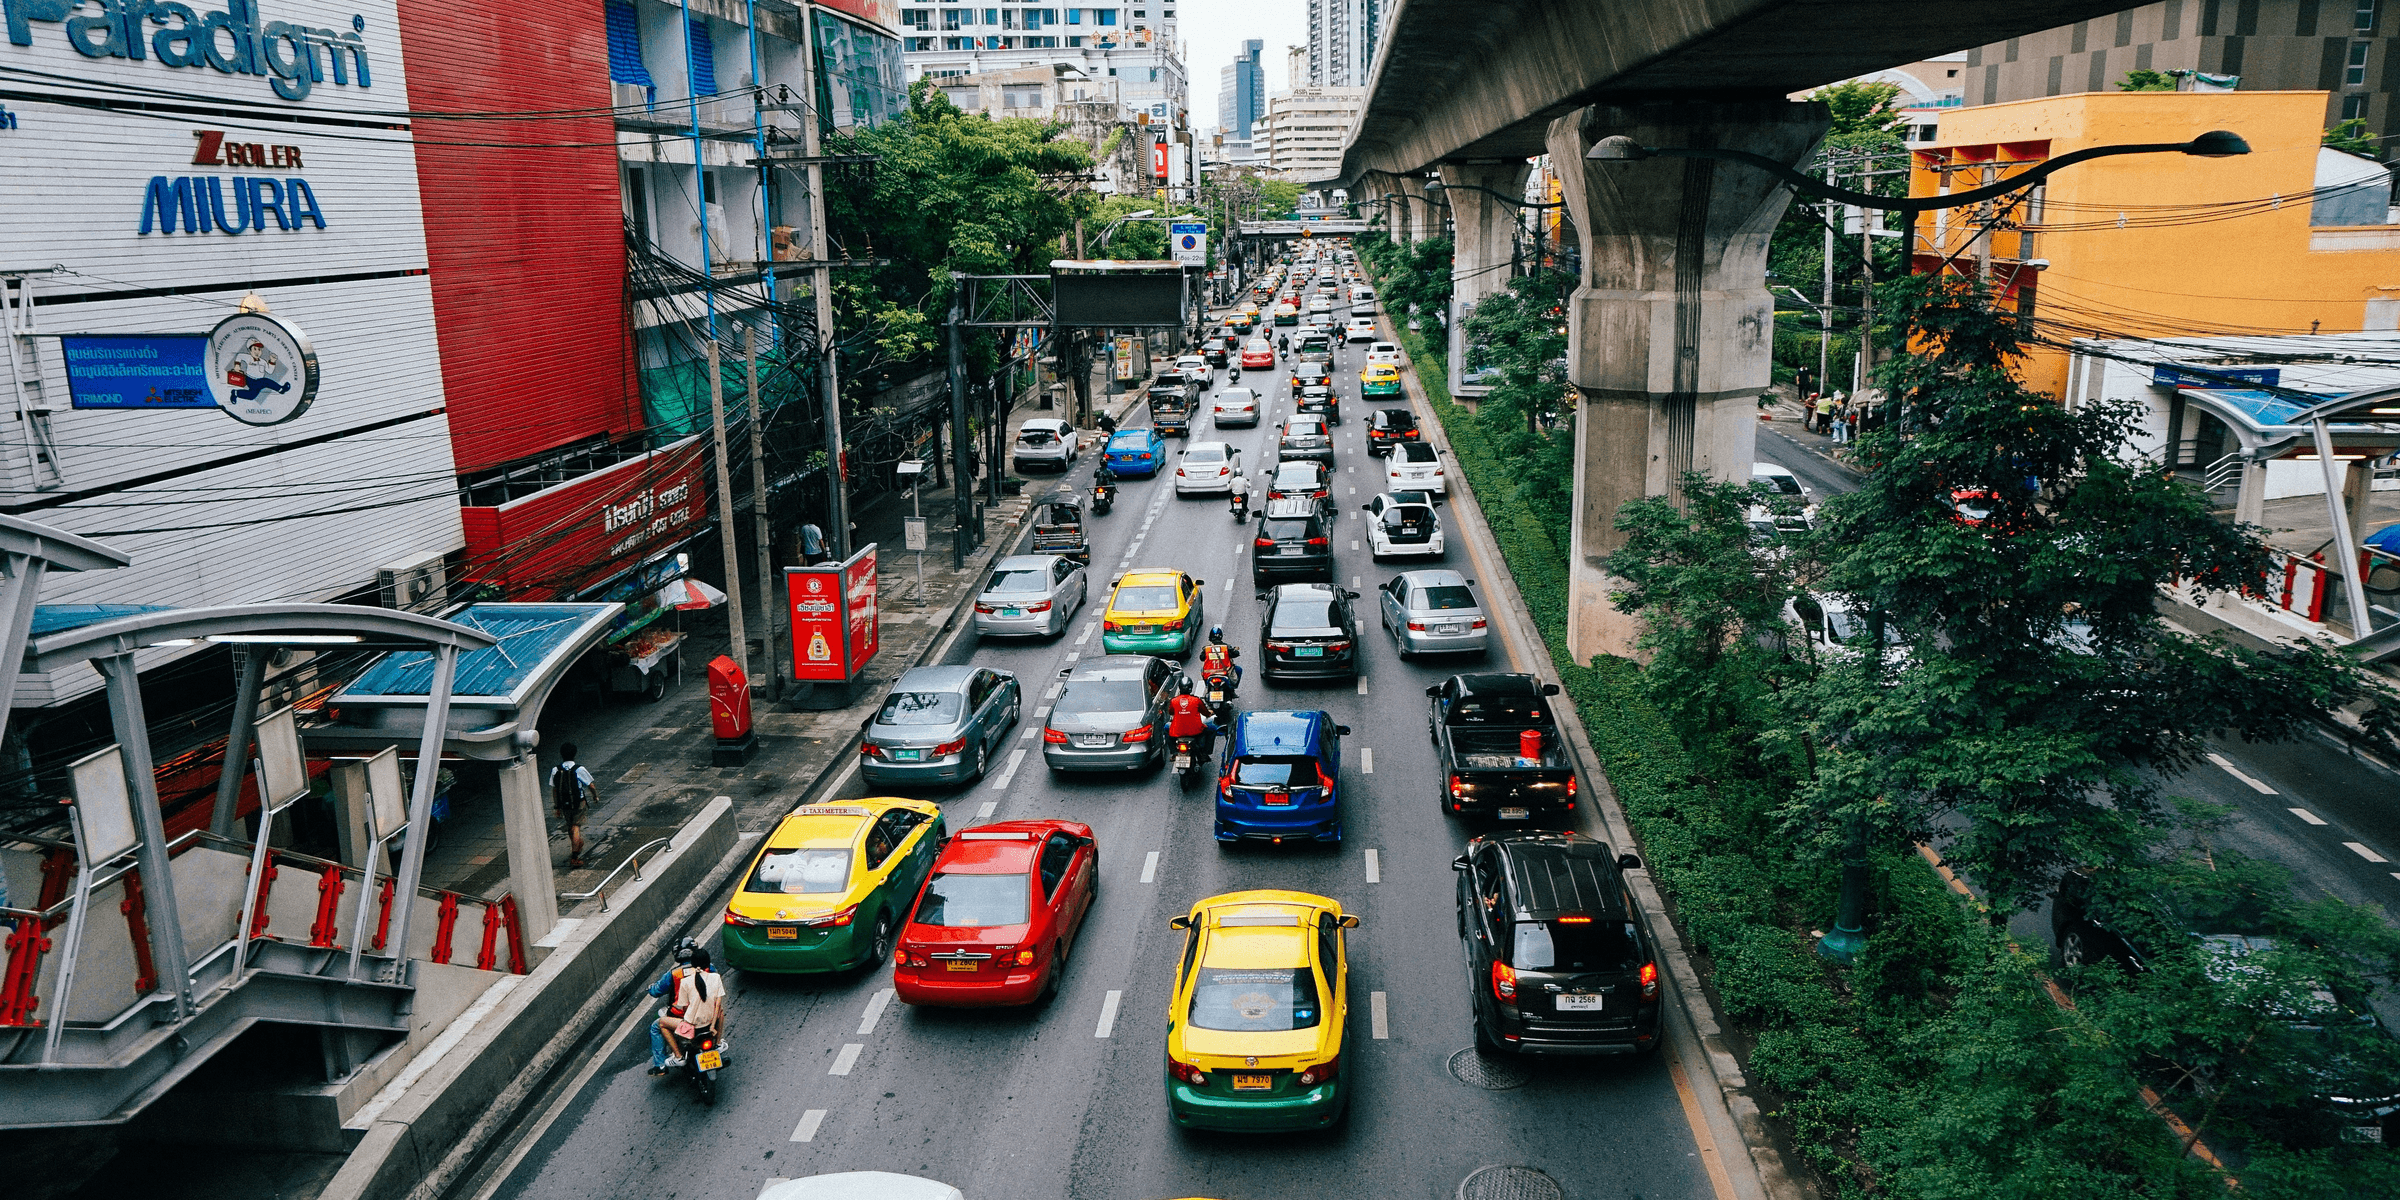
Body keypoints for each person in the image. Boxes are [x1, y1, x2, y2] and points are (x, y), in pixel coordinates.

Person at [648, 938, 726, 1075]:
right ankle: (719, 1043)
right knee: (720, 1010)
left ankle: (665, 1063)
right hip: (709, 1018)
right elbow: (718, 1001)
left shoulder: (674, 974)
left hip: (688, 1021)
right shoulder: (710, 969)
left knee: (657, 1025)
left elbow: (658, 992)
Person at [548, 744, 596, 869]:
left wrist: (557, 806)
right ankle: (575, 857)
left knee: (570, 826)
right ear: (574, 754)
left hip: (564, 804)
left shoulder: (555, 770)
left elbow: (555, 790)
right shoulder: (579, 769)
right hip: (578, 803)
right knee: (576, 827)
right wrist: (595, 796)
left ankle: (577, 844)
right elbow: (591, 785)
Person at [1166, 679, 1221, 758]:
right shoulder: (1196, 700)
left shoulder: (1174, 701)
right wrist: (1210, 713)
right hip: (1195, 731)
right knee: (1212, 728)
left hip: (1176, 732)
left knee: (1166, 727)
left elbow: (1171, 712)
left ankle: (1174, 752)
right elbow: (1205, 713)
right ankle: (1205, 753)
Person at [1199, 626, 1242, 693]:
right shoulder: (1226, 647)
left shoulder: (1207, 648)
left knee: (1202, 669)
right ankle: (1232, 689)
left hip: (1209, 674)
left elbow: (1201, 658)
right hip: (1224, 673)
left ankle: (1207, 685)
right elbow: (1235, 654)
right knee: (1239, 669)